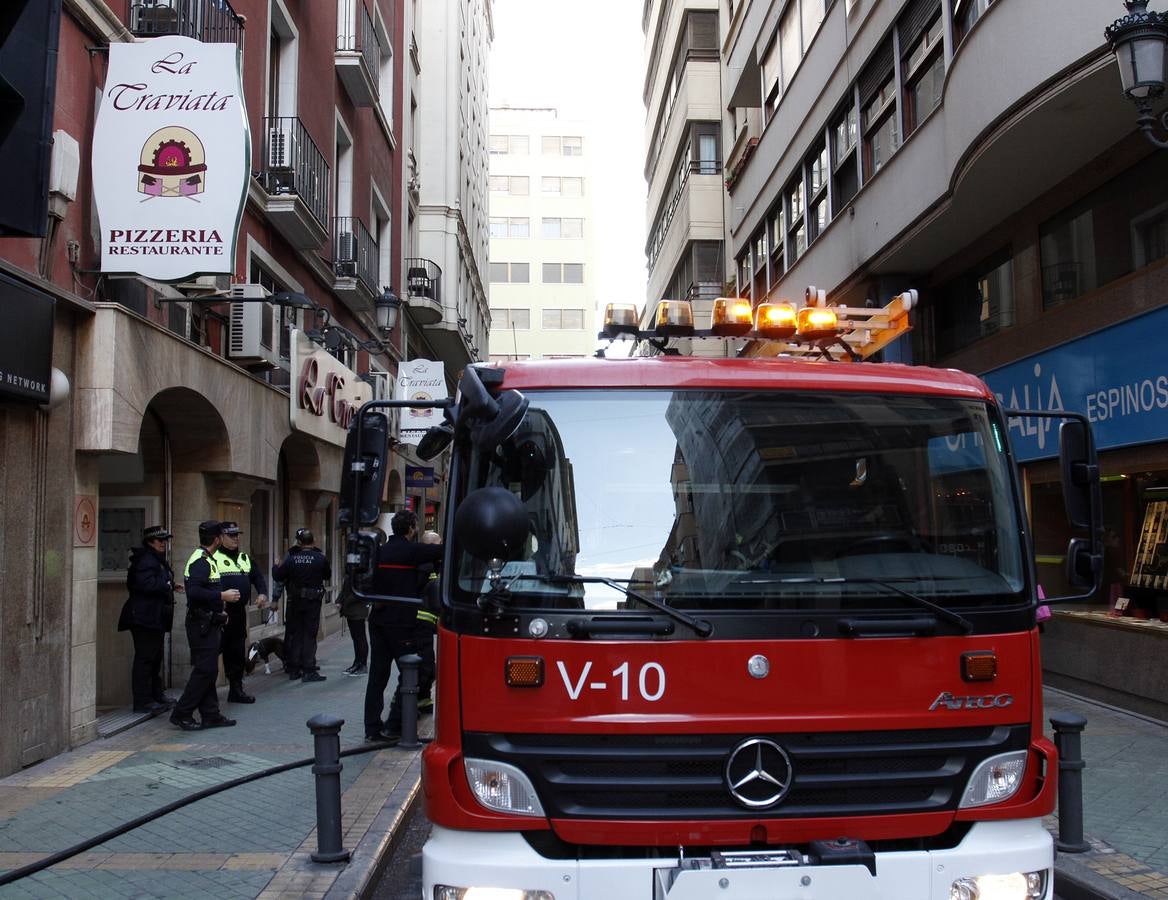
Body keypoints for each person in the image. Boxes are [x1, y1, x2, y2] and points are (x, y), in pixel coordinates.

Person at [364, 510, 443, 743]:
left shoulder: (379, 552)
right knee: (411, 672)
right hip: (401, 624)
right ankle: (395, 723)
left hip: (378, 621)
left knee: (377, 676)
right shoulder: (411, 551)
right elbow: (441, 551)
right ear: (411, 529)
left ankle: (372, 728)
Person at [171, 521, 240, 731]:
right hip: (201, 624)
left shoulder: (205, 559)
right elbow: (193, 593)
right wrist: (222, 595)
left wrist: (220, 610)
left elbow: (196, 589)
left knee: (208, 671)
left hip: (208, 621)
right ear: (217, 539)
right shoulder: (201, 561)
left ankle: (211, 714)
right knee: (205, 670)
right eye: (222, 536)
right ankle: (181, 713)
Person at [118, 525, 176, 715]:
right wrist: (167, 585)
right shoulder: (145, 559)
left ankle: (156, 695)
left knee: (155, 657)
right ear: (150, 542)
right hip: (144, 617)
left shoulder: (156, 560)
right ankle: (143, 701)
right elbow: (146, 584)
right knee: (145, 658)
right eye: (160, 540)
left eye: (165, 540)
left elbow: (159, 581)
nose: (164, 544)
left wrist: (172, 585)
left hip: (154, 616)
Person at [214, 521, 268, 703]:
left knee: (236, 653)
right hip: (220, 613)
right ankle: (208, 694)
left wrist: (262, 593)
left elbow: (258, 577)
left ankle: (236, 689)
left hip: (238, 614)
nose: (236, 538)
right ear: (220, 538)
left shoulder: (244, 558)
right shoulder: (213, 558)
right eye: (231, 535)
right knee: (213, 652)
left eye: (237, 535)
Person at [273, 528, 331, 682]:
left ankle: (294, 669)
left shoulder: (292, 559)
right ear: (313, 541)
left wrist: (276, 566)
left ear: (299, 542)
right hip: (313, 602)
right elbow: (327, 575)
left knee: (296, 634)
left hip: (296, 601)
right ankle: (309, 670)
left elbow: (278, 576)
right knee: (310, 635)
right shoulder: (320, 558)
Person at [415, 530, 442, 713]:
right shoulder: (423, 567)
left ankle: (423, 702)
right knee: (424, 668)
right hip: (420, 623)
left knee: (427, 669)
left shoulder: (436, 565)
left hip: (429, 624)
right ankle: (408, 706)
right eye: (439, 544)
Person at [338, 573, 370, 676]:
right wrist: (339, 601)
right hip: (350, 610)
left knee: (360, 638)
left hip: (357, 610)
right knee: (356, 638)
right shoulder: (350, 574)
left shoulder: (361, 575)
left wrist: (344, 602)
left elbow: (359, 593)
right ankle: (357, 663)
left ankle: (362, 665)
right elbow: (345, 590)